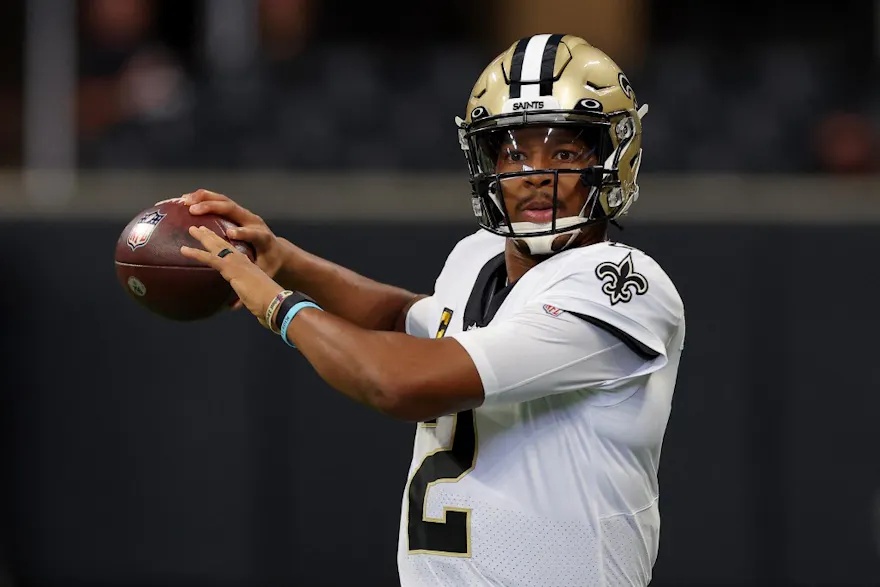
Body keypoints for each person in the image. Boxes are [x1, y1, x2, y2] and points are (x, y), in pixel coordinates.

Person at [179, 33, 685, 587]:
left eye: (563, 152)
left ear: (615, 157)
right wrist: (287, 261)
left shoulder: (620, 284)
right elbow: (406, 320)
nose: (535, 174)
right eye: (513, 152)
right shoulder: (476, 257)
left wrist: (277, 304)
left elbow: (397, 381)